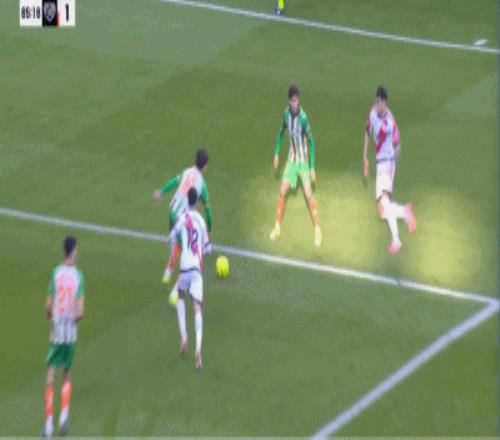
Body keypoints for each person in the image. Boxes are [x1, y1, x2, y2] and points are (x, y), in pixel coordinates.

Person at [153, 149, 212, 305]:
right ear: (205, 166)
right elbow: (208, 210)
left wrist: (161, 192)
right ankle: (174, 294)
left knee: (177, 246)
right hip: (182, 218)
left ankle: (167, 273)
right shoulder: (202, 185)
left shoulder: (187, 172)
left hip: (172, 212)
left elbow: (174, 182)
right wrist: (209, 230)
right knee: (189, 253)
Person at [363, 85, 417, 253]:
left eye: (380, 102)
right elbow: (367, 132)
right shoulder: (372, 113)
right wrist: (365, 157)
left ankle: (403, 215)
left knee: (384, 205)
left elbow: (398, 144)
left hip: (387, 163)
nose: (377, 104)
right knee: (382, 210)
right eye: (376, 101)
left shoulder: (389, 121)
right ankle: (398, 232)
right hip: (380, 163)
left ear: (385, 103)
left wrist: (393, 165)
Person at [42, 236, 84, 437]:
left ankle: (48, 425)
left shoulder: (55, 273)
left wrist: (50, 319)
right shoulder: (78, 276)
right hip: (70, 332)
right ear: (73, 250)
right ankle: (63, 418)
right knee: (66, 373)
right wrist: (73, 322)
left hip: (57, 330)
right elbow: (80, 312)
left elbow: (48, 305)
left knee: (51, 373)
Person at [270, 84, 322, 247]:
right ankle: (277, 227)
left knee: (308, 194)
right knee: (282, 191)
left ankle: (318, 230)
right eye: (292, 100)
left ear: (298, 100)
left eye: (296, 100)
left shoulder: (303, 118)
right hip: (292, 160)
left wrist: (312, 167)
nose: (294, 103)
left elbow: (311, 142)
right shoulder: (286, 114)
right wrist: (277, 153)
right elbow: (281, 132)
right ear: (289, 100)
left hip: (303, 162)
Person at [169, 187, 212, 370]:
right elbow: (208, 249)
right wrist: (203, 250)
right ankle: (198, 350)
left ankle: (184, 335)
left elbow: (172, 236)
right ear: (198, 202)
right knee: (197, 309)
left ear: (187, 200)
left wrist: (173, 251)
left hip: (184, 266)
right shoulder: (201, 220)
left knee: (180, 296)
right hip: (196, 268)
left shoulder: (182, 217)